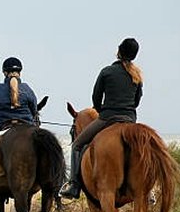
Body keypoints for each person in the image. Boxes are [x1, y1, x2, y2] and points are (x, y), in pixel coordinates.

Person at [60, 37, 143, 199]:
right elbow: (137, 101)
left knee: (77, 145)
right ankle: (149, 191)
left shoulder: (107, 72)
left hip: (107, 118)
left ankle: (74, 186)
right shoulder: (137, 76)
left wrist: (100, 110)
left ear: (118, 51)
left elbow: (96, 98)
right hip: (130, 120)